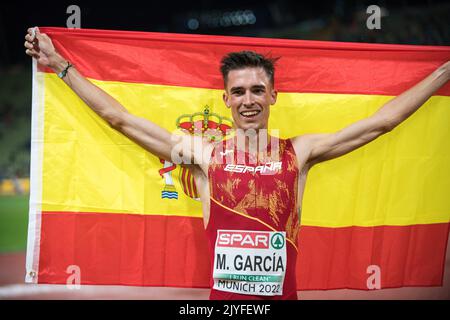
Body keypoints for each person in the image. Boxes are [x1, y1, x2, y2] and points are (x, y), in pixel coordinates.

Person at [24, 27, 450, 300]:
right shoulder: (205, 155)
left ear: (273, 96)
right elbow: (120, 118)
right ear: (226, 99)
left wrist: (443, 72)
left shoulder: (299, 153)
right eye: (240, 92)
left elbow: (382, 122)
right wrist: (61, 67)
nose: (249, 100)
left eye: (258, 90)